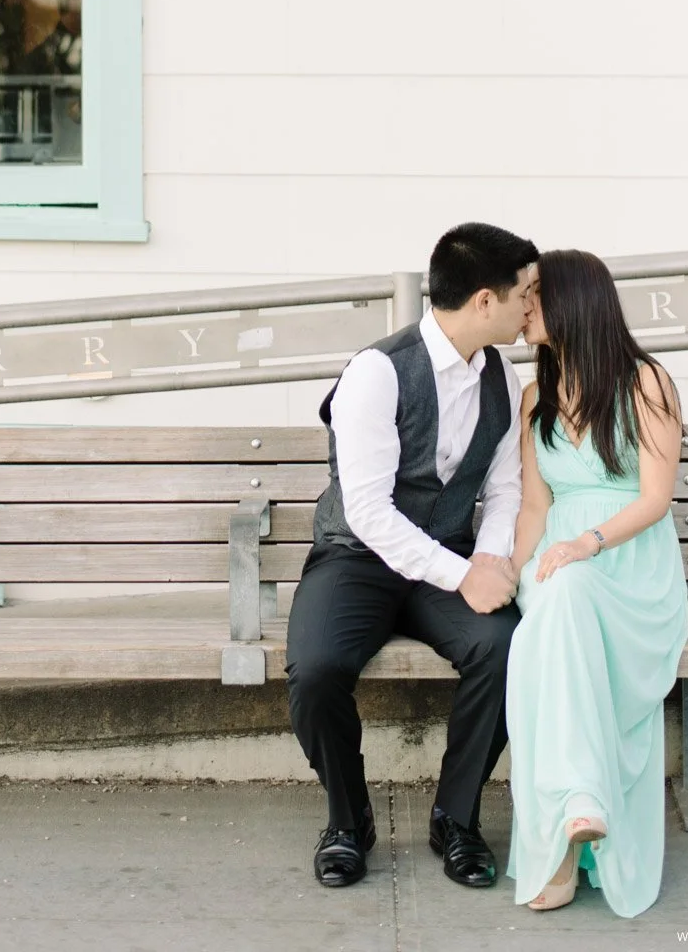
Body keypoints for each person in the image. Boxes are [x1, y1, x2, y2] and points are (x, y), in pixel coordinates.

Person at [286, 221, 539, 889]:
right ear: (485, 301)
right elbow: (369, 511)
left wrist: (488, 563)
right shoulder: (376, 372)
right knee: (316, 669)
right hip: (357, 558)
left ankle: (456, 817)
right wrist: (464, 574)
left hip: (447, 557)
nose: (531, 307)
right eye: (525, 293)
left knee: (505, 647)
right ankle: (348, 820)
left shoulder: (503, 376)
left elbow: (505, 489)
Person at [505, 249, 688, 919]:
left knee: (567, 600)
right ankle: (579, 805)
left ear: (574, 300)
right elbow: (534, 506)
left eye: (534, 294)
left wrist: (587, 542)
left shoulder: (646, 382)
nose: (523, 306)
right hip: (556, 563)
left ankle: (562, 841)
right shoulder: (534, 398)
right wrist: (508, 568)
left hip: (628, 564)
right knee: (556, 605)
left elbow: (655, 498)